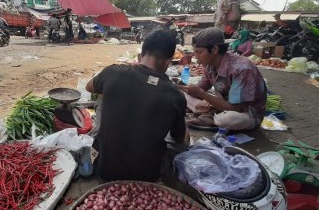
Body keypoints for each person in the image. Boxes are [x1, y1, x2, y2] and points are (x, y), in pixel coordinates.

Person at [85, 29, 189, 182]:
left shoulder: (113, 72)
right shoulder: (176, 95)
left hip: (103, 168)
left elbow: (89, 87)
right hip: (147, 176)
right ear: (168, 61)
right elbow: (179, 139)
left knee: (103, 95)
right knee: (184, 136)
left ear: (141, 55)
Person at [179, 27, 267, 131]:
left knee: (228, 119)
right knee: (182, 95)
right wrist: (181, 88)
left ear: (215, 49)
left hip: (245, 113)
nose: (196, 57)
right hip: (220, 106)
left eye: (199, 52)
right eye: (195, 52)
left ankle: (210, 118)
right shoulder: (209, 66)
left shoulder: (242, 68)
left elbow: (236, 108)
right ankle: (209, 116)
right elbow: (201, 88)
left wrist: (202, 94)